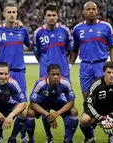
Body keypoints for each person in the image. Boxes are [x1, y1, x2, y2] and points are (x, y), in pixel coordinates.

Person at [26, 4, 74, 142]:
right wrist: (45, 65)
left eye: (54, 15)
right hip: (45, 75)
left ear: (58, 16)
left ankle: (67, 138)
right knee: (44, 104)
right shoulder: (38, 33)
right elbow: (37, 53)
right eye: (49, 15)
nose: (51, 18)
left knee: (69, 105)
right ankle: (49, 136)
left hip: (63, 74)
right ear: (44, 17)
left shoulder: (64, 31)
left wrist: (68, 66)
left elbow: (70, 50)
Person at [0, 3, 30, 142]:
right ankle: (0, 136)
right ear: (4, 13)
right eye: (9, 12)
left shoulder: (22, 30)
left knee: (22, 106)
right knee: (0, 105)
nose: (12, 14)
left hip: (19, 72)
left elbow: (30, 45)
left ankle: (20, 136)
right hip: (3, 74)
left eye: (14, 12)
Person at [69, 1, 113, 99]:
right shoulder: (77, 29)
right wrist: (69, 65)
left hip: (101, 64)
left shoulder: (106, 26)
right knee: (86, 95)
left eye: (93, 9)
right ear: (83, 12)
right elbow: (74, 50)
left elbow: (112, 46)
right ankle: (90, 114)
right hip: (85, 66)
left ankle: (104, 114)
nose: (91, 11)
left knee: (104, 95)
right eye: (88, 9)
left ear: (97, 12)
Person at [80, 61, 113, 143]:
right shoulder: (96, 84)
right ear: (104, 72)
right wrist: (101, 118)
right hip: (97, 113)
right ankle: (90, 138)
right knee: (84, 119)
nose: (111, 75)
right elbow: (88, 104)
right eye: (109, 72)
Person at [26, 64, 79, 143]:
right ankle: (34, 139)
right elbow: (33, 103)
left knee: (74, 111)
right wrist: (47, 114)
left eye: (58, 74)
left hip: (57, 101)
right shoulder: (40, 83)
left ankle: (68, 139)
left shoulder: (65, 82)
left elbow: (71, 102)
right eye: (53, 74)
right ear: (47, 75)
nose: (56, 77)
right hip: (43, 102)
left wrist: (57, 113)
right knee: (30, 112)